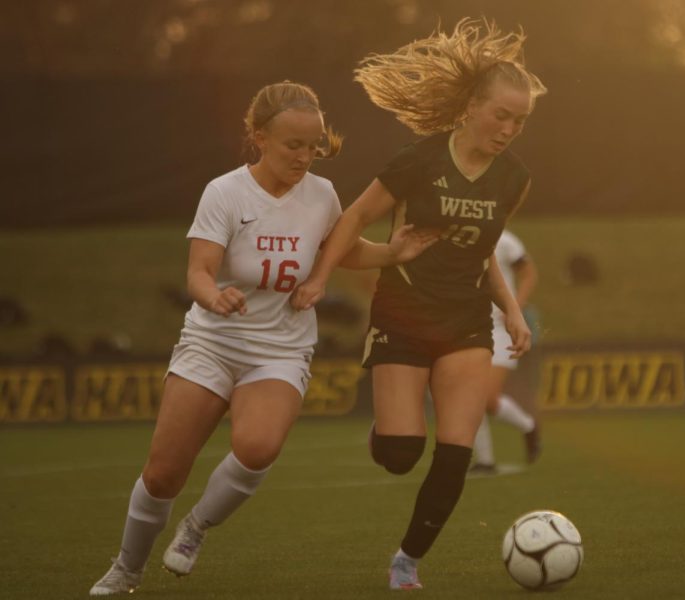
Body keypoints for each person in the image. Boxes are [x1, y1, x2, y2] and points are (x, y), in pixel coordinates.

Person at [89, 81, 435, 596]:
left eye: (314, 145)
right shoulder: (224, 192)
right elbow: (199, 273)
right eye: (293, 144)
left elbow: (339, 247)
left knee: (258, 446)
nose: (305, 156)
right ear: (259, 137)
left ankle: (197, 527)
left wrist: (391, 253)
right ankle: (127, 568)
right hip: (212, 342)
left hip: (280, 348)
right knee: (163, 475)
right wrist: (214, 297)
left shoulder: (321, 193)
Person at [291, 18, 546, 590]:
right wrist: (321, 279)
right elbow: (355, 216)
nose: (508, 129)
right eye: (500, 115)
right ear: (471, 108)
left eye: (519, 121)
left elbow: (484, 254)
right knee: (402, 452)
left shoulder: (513, 178)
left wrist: (508, 310)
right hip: (403, 316)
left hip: (466, 323)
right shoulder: (420, 160)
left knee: (455, 453)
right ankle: (385, 433)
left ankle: (407, 560)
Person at [470, 229, 541, 474]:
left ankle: (528, 425)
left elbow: (529, 273)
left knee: (487, 398)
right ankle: (485, 461)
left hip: (500, 330)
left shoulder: (505, 239)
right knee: (471, 396)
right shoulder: (455, 236)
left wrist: (515, 307)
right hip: (467, 328)